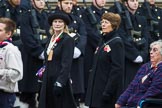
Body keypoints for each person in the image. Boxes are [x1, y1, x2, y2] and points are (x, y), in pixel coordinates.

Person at [85, 12, 125, 108]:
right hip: (96, 90)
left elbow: (117, 69)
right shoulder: (103, 40)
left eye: (106, 22)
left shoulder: (116, 42)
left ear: (113, 25)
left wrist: (108, 91)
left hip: (106, 91)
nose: (103, 24)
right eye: (102, 22)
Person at [38, 11, 76, 108]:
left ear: (64, 25)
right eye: (55, 21)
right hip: (47, 78)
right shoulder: (51, 38)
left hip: (59, 79)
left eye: (60, 22)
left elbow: (67, 64)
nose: (57, 24)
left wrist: (60, 82)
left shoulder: (68, 39)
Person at [54, 0, 87, 106]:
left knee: (74, 93)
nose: (69, 6)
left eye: (70, 4)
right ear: (59, 4)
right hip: (59, 60)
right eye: (66, 3)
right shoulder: (54, 19)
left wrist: (78, 49)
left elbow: (83, 35)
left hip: (75, 60)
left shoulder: (77, 20)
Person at [18, 0, 50, 107]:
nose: (41, 2)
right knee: (29, 92)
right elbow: (27, 37)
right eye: (38, 0)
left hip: (46, 55)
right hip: (31, 57)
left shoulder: (47, 16)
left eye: (43, 0)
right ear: (32, 2)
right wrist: (39, 52)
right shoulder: (26, 16)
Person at [115, 40, 162, 108]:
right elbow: (132, 86)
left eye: (155, 50)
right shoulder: (145, 66)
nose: (151, 52)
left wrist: (140, 103)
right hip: (132, 104)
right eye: (151, 50)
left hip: (146, 104)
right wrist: (120, 101)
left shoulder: (160, 69)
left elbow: (154, 90)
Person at [116, 0, 150, 90]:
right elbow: (122, 39)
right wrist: (134, 55)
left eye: (137, 1)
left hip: (141, 58)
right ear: (126, 3)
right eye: (132, 1)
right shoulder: (120, 19)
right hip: (127, 59)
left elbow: (146, 38)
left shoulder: (142, 19)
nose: (135, 3)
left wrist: (143, 55)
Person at [81, 0, 108, 100]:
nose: (103, 1)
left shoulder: (107, 13)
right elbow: (89, 31)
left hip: (104, 49)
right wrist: (102, 42)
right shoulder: (86, 13)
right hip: (91, 49)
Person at [0, 17, 23, 108]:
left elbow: (17, 73)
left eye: (0, 30)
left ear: (8, 34)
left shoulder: (11, 50)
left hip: (4, 95)